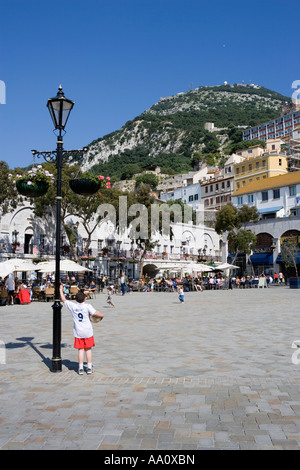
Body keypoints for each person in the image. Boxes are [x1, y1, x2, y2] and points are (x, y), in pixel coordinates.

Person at [59, 283, 103, 375]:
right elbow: (95, 314)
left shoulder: (73, 306)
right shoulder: (87, 306)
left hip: (78, 332)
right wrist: (102, 315)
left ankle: (80, 368)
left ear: (75, 299)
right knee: (88, 349)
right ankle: (89, 368)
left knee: (80, 350)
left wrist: (60, 289)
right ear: (84, 298)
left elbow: (63, 299)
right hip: (87, 331)